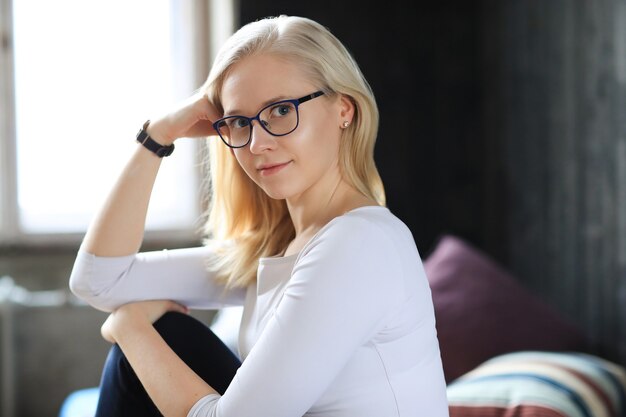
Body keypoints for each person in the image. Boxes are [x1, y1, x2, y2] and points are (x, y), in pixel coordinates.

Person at [69, 14, 449, 417]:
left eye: (281, 111)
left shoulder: (361, 244)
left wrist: (130, 327)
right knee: (167, 337)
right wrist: (158, 136)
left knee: (150, 342)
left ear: (344, 109)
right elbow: (99, 280)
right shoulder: (283, 245)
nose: (257, 144)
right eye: (238, 122)